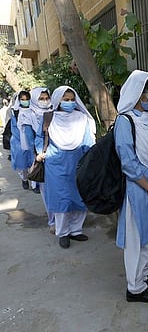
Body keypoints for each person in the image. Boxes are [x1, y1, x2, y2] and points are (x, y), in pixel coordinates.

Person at [114, 70, 148, 303]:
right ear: (138, 94)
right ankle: (135, 288)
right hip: (139, 189)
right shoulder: (125, 122)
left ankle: (144, 276)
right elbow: (129, 163)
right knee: (139, 239)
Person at [35, 86, 96, 249]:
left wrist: (90, 160)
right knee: (61, 200)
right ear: (57, 100)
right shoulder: (49, 117)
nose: (69, 103)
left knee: (79, 197)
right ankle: (63, 233)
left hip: (78, 162)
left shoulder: (82, 118)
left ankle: (76, 230)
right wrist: (41, 152)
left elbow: (87, 140)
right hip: (56, 164)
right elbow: (40, 137)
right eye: (65, 100)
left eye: (72, 100)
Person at [22, 88, 54, 229]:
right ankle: (53, 220)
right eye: (41, 98)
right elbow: (30, 139)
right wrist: (39, 155)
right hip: (41, 156)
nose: (45, 101)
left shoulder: (55, 111)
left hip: (57, 155)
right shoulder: (28, 115)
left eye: (46, 98)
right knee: (47, 190)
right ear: (35, 99)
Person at [10, 91, 35, 190]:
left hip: (31, 140)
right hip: (18, 141)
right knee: (22, 164)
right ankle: (24, 179)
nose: (25, 102)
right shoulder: (15, 111)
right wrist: (22, 139)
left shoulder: (33, 110)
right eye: (22, 100)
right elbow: (14, 127)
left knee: (33, 163)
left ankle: (34, 184)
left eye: (27, 99)